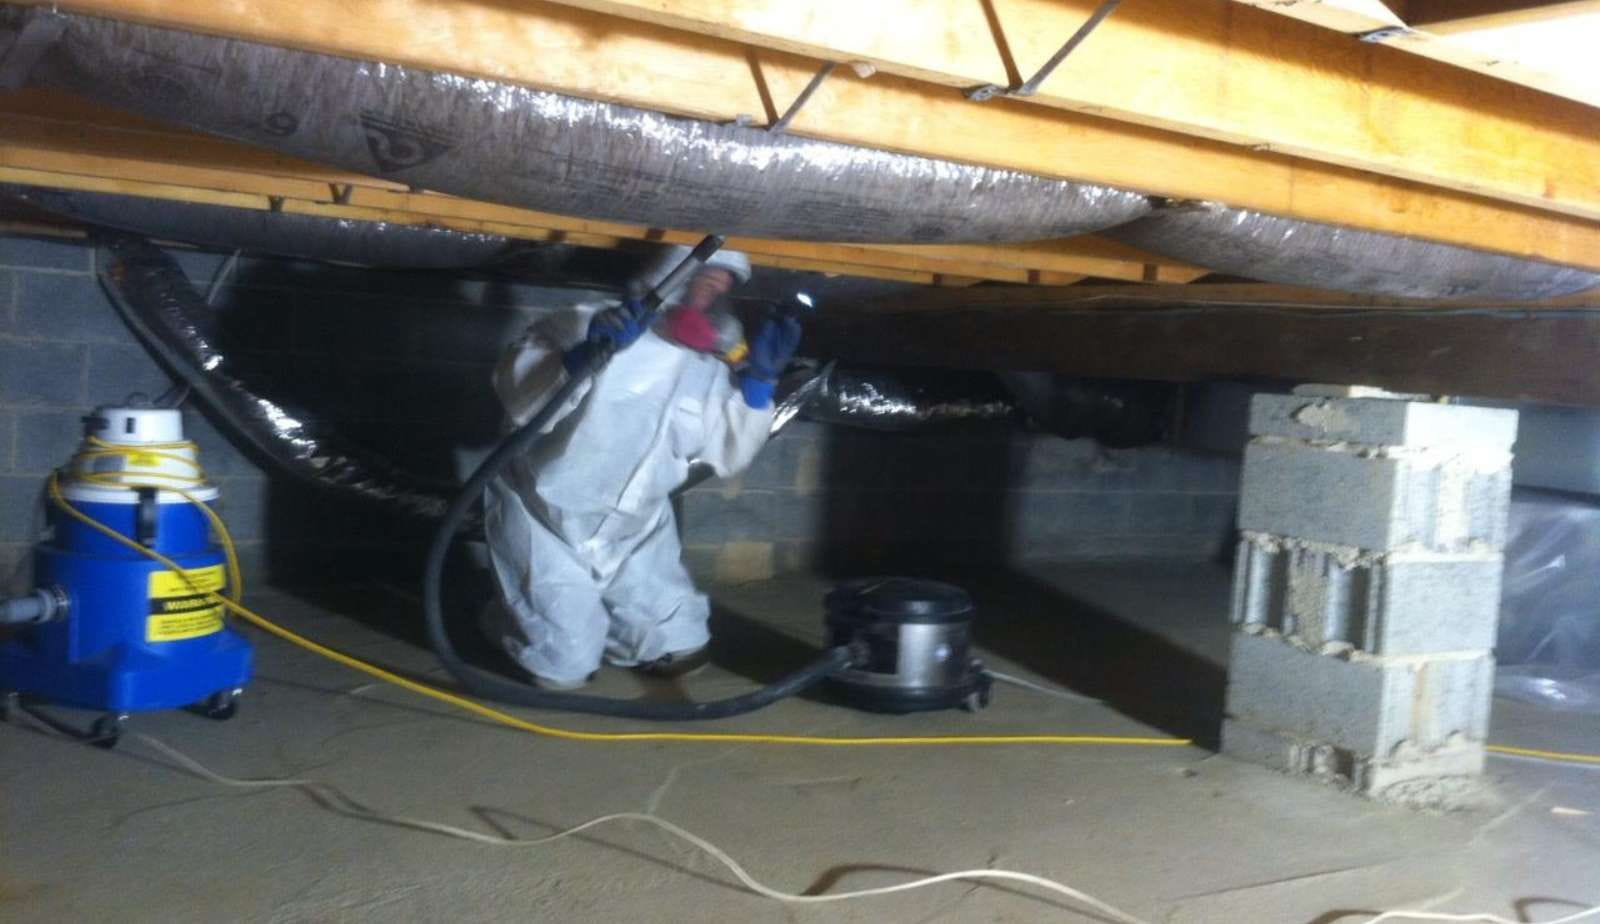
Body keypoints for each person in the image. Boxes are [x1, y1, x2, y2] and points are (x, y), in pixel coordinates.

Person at [482, 245, 802, 690]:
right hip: (546, 513)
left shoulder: (706, 367)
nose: (712, 298)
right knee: (562, 668)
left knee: (682, 646)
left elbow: (729, 454)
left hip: (636, 526)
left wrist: (758, 389)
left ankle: (595, 620)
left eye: (721, 292)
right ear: (668, 280)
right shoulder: (587, 322)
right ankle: (506, 618)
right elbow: (521, 401)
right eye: (705, 282)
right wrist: (580, 358)